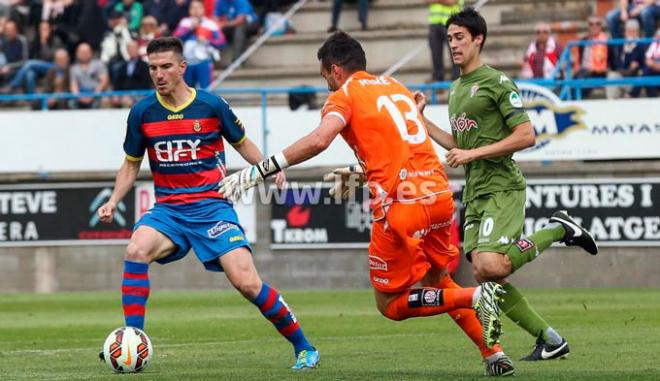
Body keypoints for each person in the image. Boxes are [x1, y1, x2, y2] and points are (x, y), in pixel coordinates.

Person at [218, 31, 513, 377]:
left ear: (335, 70)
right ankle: (493, 353)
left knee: (390, 304)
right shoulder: (394, 86)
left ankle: (475, 297)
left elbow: (319, 140)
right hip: (439, 198)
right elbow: (399, 148)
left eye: (325, 75)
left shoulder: (344, 95)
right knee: (437, 279)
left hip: (401, 208)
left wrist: (260, 170)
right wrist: (363, 174)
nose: (326, 83)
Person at [95, 36, 319, 370]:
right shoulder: (142, 112)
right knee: (136, 248)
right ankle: (133, 342)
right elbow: (130, 163)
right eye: (153, 67)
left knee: (246, 282)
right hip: (169, 211)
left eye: (166, 66)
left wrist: (270, 171)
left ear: (182, 67)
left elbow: (243, 144)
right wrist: (113, 200)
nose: (159, 74)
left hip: (212, 208)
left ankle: (304, 347)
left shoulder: (212, 106)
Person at [414, 7, 599, 362]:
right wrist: (423, 122)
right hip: (476, 191)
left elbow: (526, 135)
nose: (452, 45)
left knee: (490, 267)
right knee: (487, 277)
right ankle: (551, 339)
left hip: (502, 186)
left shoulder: (496, 82)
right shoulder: (455, 89)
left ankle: (559, 230)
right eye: (449, 38)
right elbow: (460, 144)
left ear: (478, 39)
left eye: (459, 38)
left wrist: (473, 155)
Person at [175, 0, 225, 88]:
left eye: (198, 7)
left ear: (203, 9)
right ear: (189, 10)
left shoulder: (211, 24)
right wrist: (191, 29)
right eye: (193, 8)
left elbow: (221, 42)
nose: (196, 10)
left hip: (204, 63)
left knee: (205, 91)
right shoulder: (184, 23)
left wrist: (208, 41)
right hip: (187, 63)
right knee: (187, 91)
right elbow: (176, 39)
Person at [7, 21, 63, 94]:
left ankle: (13, 85)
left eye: (45, 29)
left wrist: (44, 43)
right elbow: (32, 55)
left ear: (50, 29)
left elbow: (51, 57)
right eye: (41, 29)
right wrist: (40, 43)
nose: (43, 31)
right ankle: (32, 99)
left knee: (30, 63)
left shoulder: (56, 40)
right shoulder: (36, 41)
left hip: (52, 66)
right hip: (38, 67)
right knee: (30, 74)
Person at [606, 19, 646, 99]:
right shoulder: (621, 44)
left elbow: (640, 65)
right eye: (628, 31)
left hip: (634, 79)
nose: (630, 34)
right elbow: (617, 63)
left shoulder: (641, 46)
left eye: (633, 31)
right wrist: (624, 68)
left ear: (637, 32)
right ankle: (610, 104)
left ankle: (630, 95)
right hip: (622, 75)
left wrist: (633, 66)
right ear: (625, 32)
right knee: (612, 76)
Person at [573, 16, 608, 98]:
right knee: (571, 80)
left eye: (597, 24)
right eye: (591, 24)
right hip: (583, 71)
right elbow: (579, 58)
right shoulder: (583, 40)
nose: (594, 26)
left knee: (581, 80)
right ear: (588, 26)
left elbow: (612, 60)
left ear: (601, 26)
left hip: (599, 73)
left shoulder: (606, 41)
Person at [427, 0, 462, 83]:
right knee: (435, 54)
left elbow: (451, 1)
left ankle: (457, 80)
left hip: (452, 22)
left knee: (455, 52)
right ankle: (438, 80)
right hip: (434, 22)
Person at [110, 40, 151, 107]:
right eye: (130, 49)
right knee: (108, 100)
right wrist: (116, 95)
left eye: (134, 48)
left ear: (138, 49)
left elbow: (146, 83)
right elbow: (117, 83)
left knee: (126, 101)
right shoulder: (122, 67)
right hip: (124, 94)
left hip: (140, 94)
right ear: (127, 51)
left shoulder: (145, 66)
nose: (132, 51)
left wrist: (132, 94)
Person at [69, 42, 110, 108]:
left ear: (91, 53)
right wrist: (80, 97)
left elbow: (104, 82)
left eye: (86, 52)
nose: (84, 54)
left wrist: (93, 96)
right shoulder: (74, 68)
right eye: (81, 52)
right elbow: (73, 85)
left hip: (97, 94)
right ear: (77, 53)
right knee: (71, 103)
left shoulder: (99, 64)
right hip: (81, 94)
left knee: (102, 101)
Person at [643, 28, 660, 97]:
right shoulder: (654, 43)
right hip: (654, 65)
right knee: (646, 71)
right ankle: (652, 96)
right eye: (657, 36)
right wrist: (651, 63)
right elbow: (648, 58)